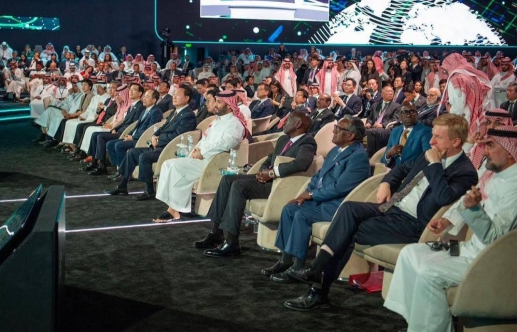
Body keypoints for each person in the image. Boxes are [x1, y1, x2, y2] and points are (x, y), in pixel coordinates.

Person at [281, 113, 478, 312]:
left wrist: (435, 164)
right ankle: (316, 276)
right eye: (432, 135)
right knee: (349, 209)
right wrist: (385, 183)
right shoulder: (431, 153)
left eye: (438, 137)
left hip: (414, 223)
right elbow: (400, 170)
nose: (431, 140)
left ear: (455, 142)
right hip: (392, 207)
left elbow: (445, 196)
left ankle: (318, 287)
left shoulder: (465, 171)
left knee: (347, 232)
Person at [384, 126, 517, 332]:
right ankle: (418, 324)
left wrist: (473, 210)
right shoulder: (495, 175)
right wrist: (447, 220)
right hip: (469, 249)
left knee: (429, 273)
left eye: (490, 146)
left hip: (488, 261)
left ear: (510, 151)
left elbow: (495, 239)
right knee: (410, 253)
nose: (485, 151)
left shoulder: (514, 187)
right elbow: (467, 199)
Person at [262, 116, 370, 280]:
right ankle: (285, 260)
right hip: (322, 200)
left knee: (302, 215)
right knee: (290, 209)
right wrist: (307, 193)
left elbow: (341, 188)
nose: (334, 131)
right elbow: (319, 176)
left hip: (338, 206)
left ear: (351, 136)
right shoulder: (336, 150)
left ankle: (298, 268)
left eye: (339, 129)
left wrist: (312, 195)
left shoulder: (358, 157)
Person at [199, 112, 318, 257]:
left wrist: (272, 173)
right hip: (268, 180)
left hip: (281, 187)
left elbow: (302, 163)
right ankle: (216, 232)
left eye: (288, 120)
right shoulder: (283, 139)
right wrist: (263, 170)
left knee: (238, 186)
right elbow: (270, 158)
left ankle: (232, 242)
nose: (284, 123)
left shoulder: (307, 142)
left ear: (298, 124)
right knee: (227, 179)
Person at [153, 90, 246, 223]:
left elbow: (226, 143)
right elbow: (206, 139)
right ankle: (173, 208)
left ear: (230, 106)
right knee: (168, 164)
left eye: (219, 102)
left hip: (213, 163)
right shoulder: (217, 121)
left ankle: (173, 210)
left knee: (174, 166)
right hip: (203, 158)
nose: (215, 105)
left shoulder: (235, 124)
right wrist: (195, 151)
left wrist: (202, 153)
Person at [105, 85, 198, 199]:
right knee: (131, 152)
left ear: (187, 98)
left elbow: (179, 136)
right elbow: (163, 127)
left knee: (144, 157)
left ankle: (149, 190)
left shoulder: (188, 115)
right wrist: (155, 135)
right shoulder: (175, 112)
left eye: (177, 95)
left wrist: (159, 140)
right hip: (159, 145)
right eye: (174, 94)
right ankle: (122, 186)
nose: (174, 97)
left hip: (169, 148)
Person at [96, 89, 163, 176]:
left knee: (119, 145)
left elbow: (149, 129)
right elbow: (136, 126)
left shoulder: (156, 112)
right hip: (134, 136)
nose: (144, 99)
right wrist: (129, 134)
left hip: (141, 139)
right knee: (110, 144)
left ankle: (123, 173)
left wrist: (133, 137)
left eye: (147, 97)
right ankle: (121, 168)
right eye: (144, 96)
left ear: (154, 100)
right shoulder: (145, 111)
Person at [439, 53, 493, 137]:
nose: (445, 70)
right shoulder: (473, 76)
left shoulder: (456, 79)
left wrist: (450, 110)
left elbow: (458, 108)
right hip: (478, 120)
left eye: (445, 67)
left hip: (463, 123)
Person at [381, 101, 432, 168]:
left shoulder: (425, 131)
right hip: (394, 171)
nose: (408, 115)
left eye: (412, 112)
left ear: (417, 114)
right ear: (399, 115)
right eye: (405, 112)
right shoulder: (395, 131)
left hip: (413, 172)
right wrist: (388, 154)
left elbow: (427, 157)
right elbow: (383, 160)